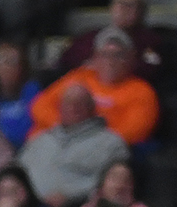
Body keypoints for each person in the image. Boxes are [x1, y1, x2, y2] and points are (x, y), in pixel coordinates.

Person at [31, 28, 159, 146]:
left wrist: (88, 138)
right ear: (95, 58)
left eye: (118, 55)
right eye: (105, 54)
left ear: (131, 60)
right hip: (61, 139)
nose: (110, 61)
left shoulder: (142, 91)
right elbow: (40, 106)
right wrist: (65, 128)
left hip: (103, 148)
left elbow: (134, 131)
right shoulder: (79, 77)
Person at [19, 85, 130, 207]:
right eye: (67, 103)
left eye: (80, 103)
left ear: (92, 108)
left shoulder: (111, 143)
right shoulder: (39, 140)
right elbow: (16, 172)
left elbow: (115, 183)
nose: (73, 108)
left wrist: (71, 196)